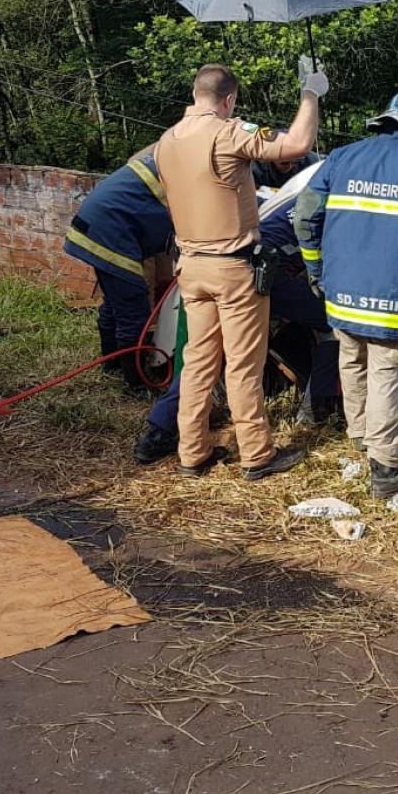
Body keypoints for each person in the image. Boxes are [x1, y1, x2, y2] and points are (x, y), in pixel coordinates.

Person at [152, 62, 325, 480]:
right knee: (243, 364)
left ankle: (192, 452)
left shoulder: (166, 142)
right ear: (228, 101)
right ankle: (257, 454)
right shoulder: (229, 133)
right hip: (233, 268)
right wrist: (311, 92)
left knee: (197, 363)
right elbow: (297, 144)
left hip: (190, 268)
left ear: (195, 94)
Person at [294, 89, 398, 499]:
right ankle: (386, 468)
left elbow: (303, 216)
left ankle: (360, 435)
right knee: (387, 371)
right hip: (396, 298)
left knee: (352, 358)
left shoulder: (341, 158)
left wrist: (317, 270)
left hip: (341, 293)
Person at [134, 156, 339, 464]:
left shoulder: (306, 190)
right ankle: (316, 413)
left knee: (207, 354)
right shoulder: (336, 200)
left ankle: (159, 431)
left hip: (219, 269)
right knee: (333, 322)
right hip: (261, 273)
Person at [62, 147, 173, 390]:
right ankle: (135, 382)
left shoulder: (171, 148)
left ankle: (111, 363)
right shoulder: (196, 165)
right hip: (112, 231)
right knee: (133, 309)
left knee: (116, 303)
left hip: (102, 224)